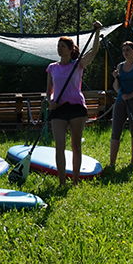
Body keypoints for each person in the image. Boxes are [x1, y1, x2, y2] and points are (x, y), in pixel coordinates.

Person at [46, 21, 102, 186]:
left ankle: (75, 181)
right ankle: (62, 182)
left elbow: (95, 51)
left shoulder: (78, 65)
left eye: (63, 46)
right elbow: (48, 91)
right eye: (58, 46)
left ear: (71, 50)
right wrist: (50, 102)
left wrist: (97, 32)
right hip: (59, 108)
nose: (59, 49)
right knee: (59, 146)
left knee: (76, 146)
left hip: (76, 108)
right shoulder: (52, 67)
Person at [109, 41, 133, 168]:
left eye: (128, 50)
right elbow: (116, 88)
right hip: (121, 101)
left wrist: (131, 95)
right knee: (115, 131)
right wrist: (115, 78)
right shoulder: (120, 66)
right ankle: (112, 163)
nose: (126, 52)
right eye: (124, 50)